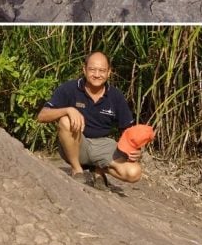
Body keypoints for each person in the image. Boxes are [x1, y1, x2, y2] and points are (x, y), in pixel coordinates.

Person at [36, 51, 142, 189]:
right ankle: (77, 170)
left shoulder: (116, 96)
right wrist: (68, 110)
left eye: (102, 70)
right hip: (77, 143)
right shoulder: (69, 89)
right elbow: (42, 116)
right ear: (84, 70)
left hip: (103, 145)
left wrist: (135, 150)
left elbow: (128, 131)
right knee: (65, 121)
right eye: (92, 69)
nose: (97, 74)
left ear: (109, 72)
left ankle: (98, 169)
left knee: (134, 172)